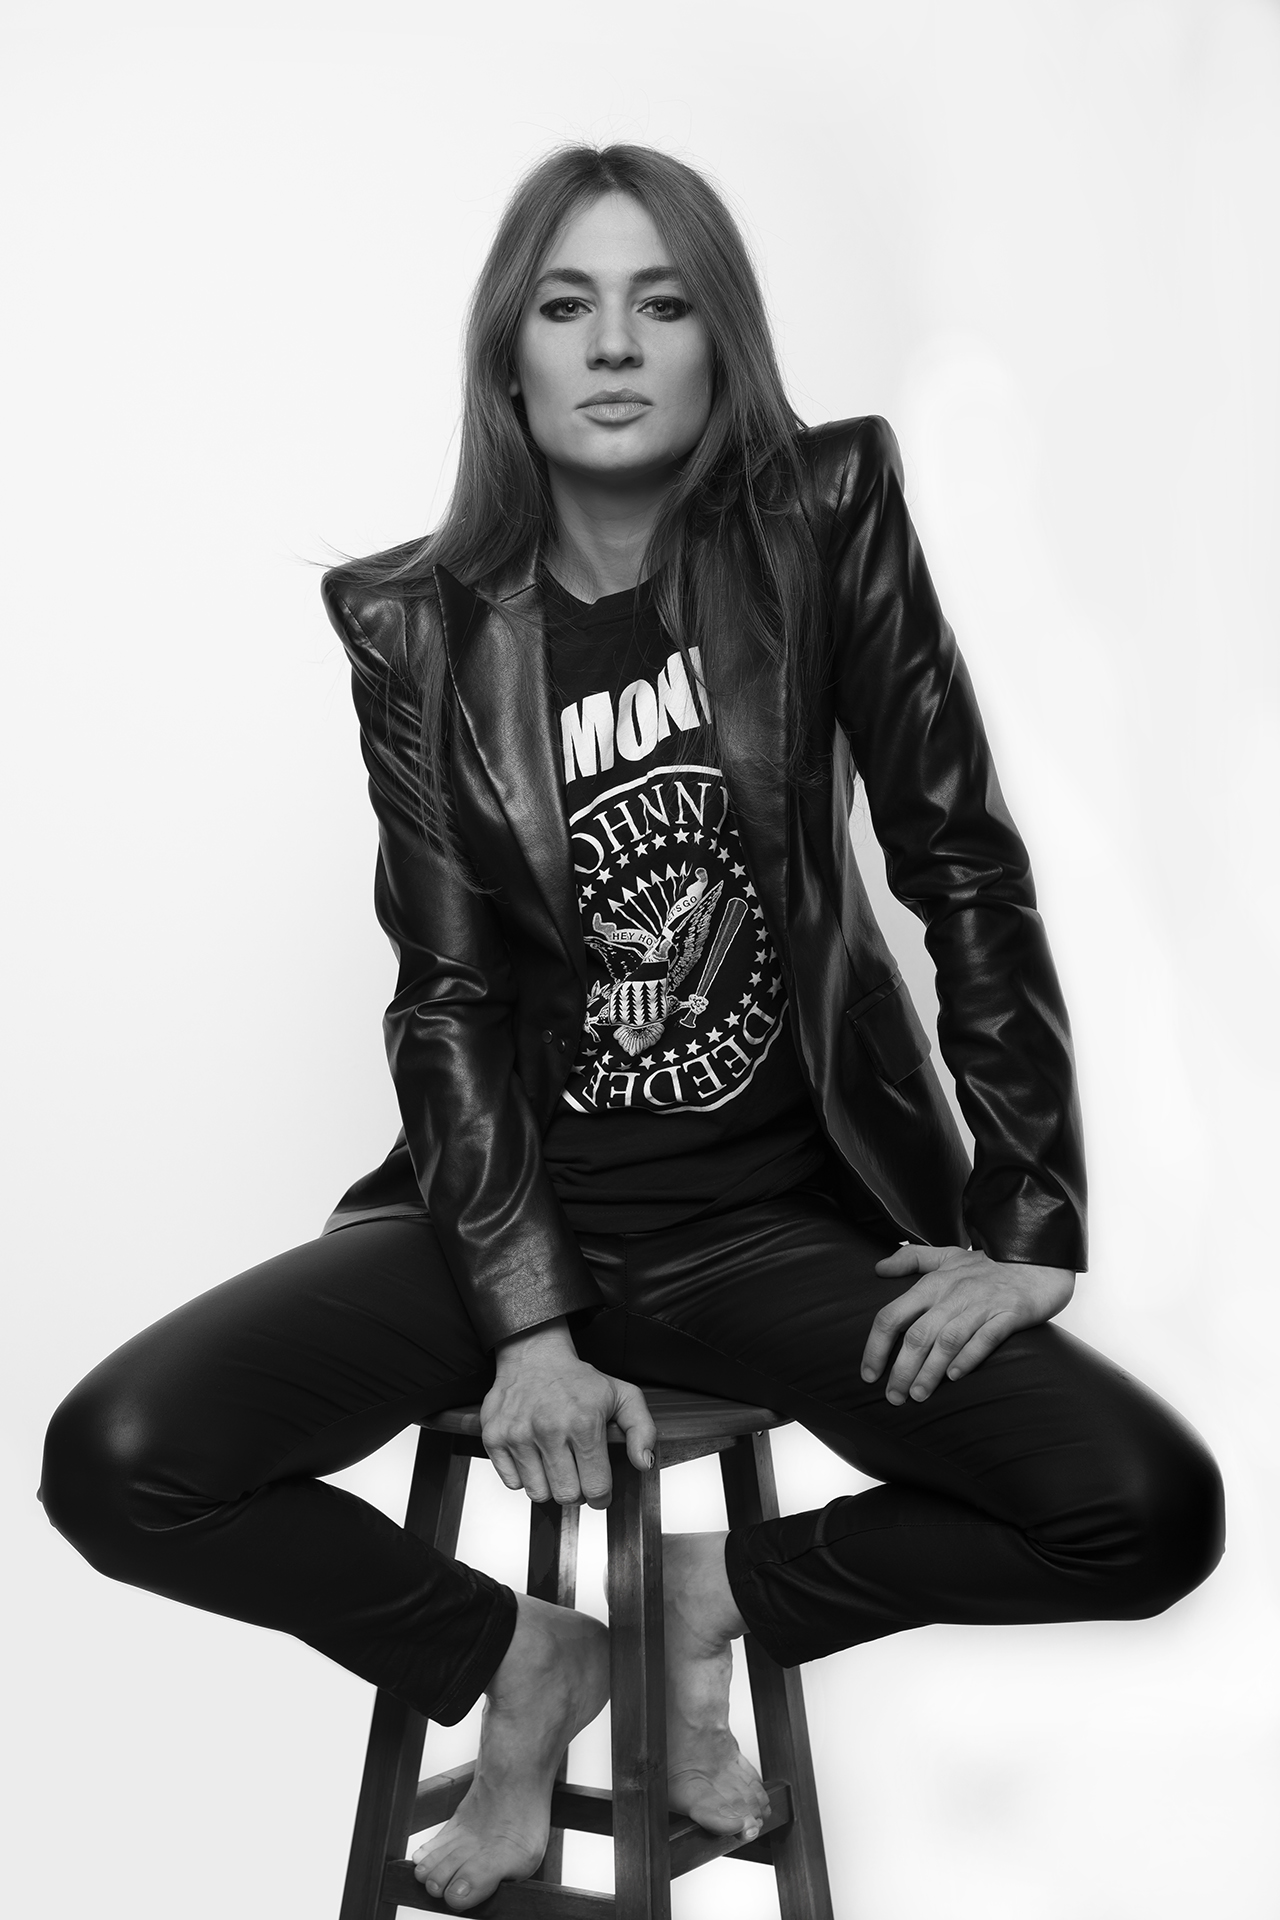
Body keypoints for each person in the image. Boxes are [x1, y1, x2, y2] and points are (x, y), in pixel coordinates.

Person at [40, 143, 1225, 1914]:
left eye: (662, 304)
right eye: (567, 304)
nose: (613, 345)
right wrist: (527, 1322)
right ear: (507, 356)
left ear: (717, 343)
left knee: (1143, 1506)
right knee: (123, 1461)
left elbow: (959, 862)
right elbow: (447, 997)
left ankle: (705, 1602)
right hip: (504, 1222)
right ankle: (523, 1657)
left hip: (773, 1231)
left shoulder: (822, 523)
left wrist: (1027, 1218)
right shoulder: (418, 629)